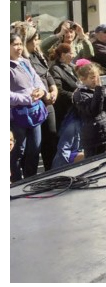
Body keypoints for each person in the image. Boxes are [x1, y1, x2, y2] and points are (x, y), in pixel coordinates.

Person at [10, 32, 47, 182]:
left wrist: (41, 90)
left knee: (34, 149)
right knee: (18, 151)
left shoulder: (25, 61)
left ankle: (31, 180)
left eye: (20, 44)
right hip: (17, 115)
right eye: (14, 45)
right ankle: (16, 182)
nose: (19, 48)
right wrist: (27, 98)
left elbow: (37, 79)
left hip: (34, 113)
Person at [23, 25, 58, 171]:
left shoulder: (38, 55)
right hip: (36, 105)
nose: (37, 43)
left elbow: (47, 73)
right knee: (35, 147)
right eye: (35, 40)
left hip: (48, 103)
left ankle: (51, 172)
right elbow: (30, 82)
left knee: (51, 139)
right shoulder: (23, 59)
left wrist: (53, 88)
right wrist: (45, 95)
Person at [73, 63, 106, 157]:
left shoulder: (100, 89)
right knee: (95, 164)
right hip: (95, 138)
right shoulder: (79, 94)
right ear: (83, 79)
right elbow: (94, 110)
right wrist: (99, 90)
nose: (96, 80)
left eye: (97, 77)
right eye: (92, 78)